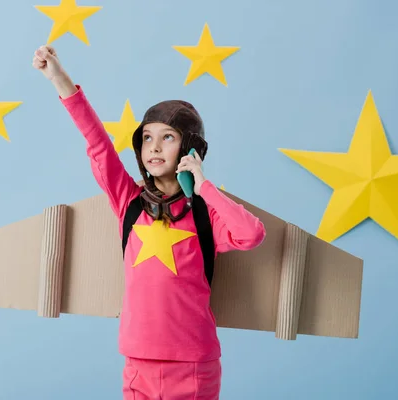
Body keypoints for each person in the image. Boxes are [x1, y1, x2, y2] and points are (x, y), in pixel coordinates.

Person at [32, 44, 266, 400]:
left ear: (190, 148)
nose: (154, 148)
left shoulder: (206, 216)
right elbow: (98, 145)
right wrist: (60, 80)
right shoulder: (129, 202)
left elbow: (251, 235)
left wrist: (203, 187)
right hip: (137, 361)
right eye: (147, 139)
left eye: (167, 138)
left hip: (193, 366)